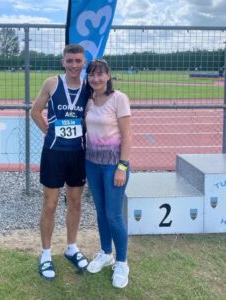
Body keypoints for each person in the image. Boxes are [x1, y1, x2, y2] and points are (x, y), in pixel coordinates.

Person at [30, 44, 89, 281]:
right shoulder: (52, 83)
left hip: (78, 154)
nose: (74, 65)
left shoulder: (89, 87)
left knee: (75, 203)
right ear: (63, 62)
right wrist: (49, 131)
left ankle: (71, 247)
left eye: (78, 61)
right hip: (54, 153)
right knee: (51, 204)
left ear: (84, 62)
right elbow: (35, 111)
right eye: (70, 61)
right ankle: (45, 253)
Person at [84, 59, 132, 288]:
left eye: (100, 74)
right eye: (92, 74)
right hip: (92, 164)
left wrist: (122, 166)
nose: (96, 78)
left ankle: (122, 262)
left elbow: (127, 136)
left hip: (114, 166)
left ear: (108, 75)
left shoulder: (118, 98)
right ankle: (106, 253)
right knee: (101, 212)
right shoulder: (89, 100)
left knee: (113, 215)